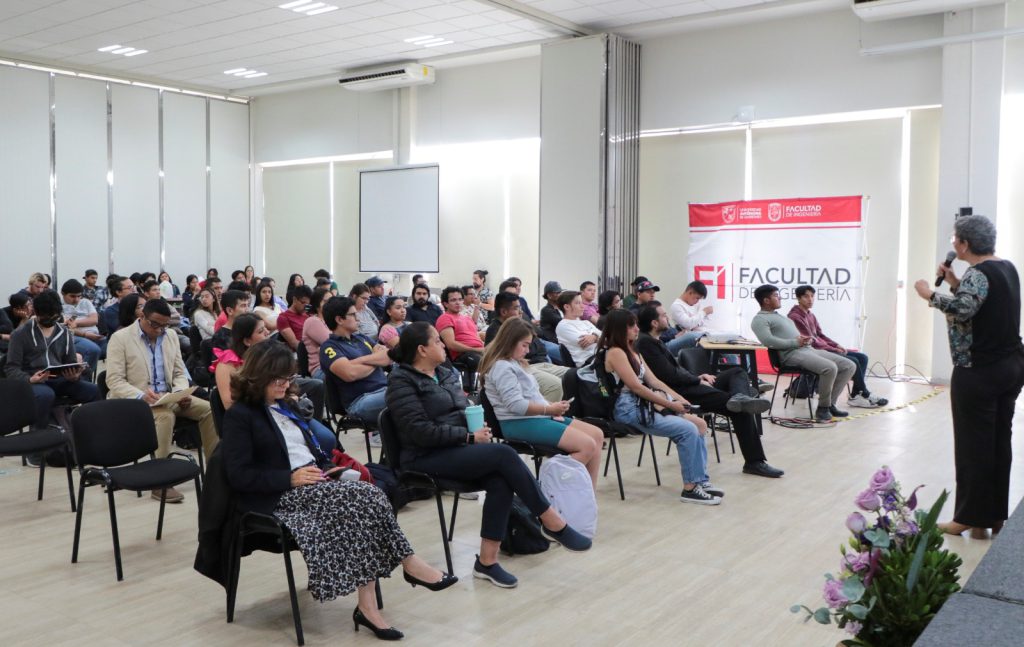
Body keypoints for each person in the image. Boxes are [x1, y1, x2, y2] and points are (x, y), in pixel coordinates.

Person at [221, 341, 456, 641]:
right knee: (366, 497)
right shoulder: (241, 415)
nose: (285, 384)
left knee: (366, 495)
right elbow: (239, 475)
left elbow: (311, 451)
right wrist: (289, 479)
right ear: (257, 376)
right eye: (277, 378)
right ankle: (405, 567)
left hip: (314, 483)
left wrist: (330, 467)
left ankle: (370, 604)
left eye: (288, 377)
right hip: (279, 496)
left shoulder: (285, 406)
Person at [386, 322, 591, 588]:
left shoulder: (445, 374)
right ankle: (551, 520)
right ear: (422, 350)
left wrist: (473, 427)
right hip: (423, 457)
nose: (444, 344)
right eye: (437, 341)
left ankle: (487, 562)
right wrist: (467, 436)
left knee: (500, 479)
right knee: (504, 455)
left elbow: (459, 410)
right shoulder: (401, 381)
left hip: (455, 449)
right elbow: (417, 431)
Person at [913, 215, 1024, 539]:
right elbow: (980, 303)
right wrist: (953, 282)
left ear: (964, 244)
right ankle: (992, 517)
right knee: (998, 443)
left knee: (974, 446)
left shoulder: (977, 273)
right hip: (1010, 366)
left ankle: (968, 517)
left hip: (980, 371)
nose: (953, 246)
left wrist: (927, 294)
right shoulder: (1006, 268)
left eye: (954, 240)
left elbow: (963, 310)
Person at [635, 304, 783, 478]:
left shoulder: (654, 340)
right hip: (682, 392)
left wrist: (700, 376)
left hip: (690, 383)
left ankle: (741, 396)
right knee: (740, 410)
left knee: (737, 372)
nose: (667, 318)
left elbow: (676, 370)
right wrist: (697, 379)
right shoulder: (645, 343)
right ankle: (754, 462)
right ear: (654, 322)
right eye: (664, 315)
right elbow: (669, 376)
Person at [600, 309, 722, 505]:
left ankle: (700, 480)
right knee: (688, 430)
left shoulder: (633, 351)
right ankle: (690, 488)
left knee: (699, 424)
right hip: (627, 410)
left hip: (643, 405)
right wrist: (670, 404)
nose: (637, 329)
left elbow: (654, 381)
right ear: (620, 329)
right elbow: (636, 387)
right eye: (632, 326)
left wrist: (682, 401)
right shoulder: (615, 352)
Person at [105, 298, 217, 503]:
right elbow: (114, 380)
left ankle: (216, 473)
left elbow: (178, 372)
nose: (159, 329)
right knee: (164, 417)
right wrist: (140, 395)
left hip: (167, 396)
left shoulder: (170, 335)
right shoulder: (121, 338)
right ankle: (160, 483)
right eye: (154, 324)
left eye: (164, 325)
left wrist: (181, 391)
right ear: (142, 317)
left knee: (209, 409)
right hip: (135, 402)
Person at [481, 317, 604, 487]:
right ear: (509, 341)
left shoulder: (513, 363)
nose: (528, 350)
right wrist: (549, 410)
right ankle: (546, 490)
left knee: (596, 434)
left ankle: (587, 493)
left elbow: (532, 396)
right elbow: (516, 406)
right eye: (524, 345)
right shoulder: (502, 367)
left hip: (534, 418)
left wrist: (553, 408)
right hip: (517, 423)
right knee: (587, 445)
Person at [750, 284, 857, 423]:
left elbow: (795, 336)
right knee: (830, 368)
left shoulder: (780, 317)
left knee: (849, 365)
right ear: (766, 300)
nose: (780, 297)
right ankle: (823, 409)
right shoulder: (760, 319)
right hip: (791, 355)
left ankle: (830, 404)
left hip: (807, 350)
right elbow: (768, 341)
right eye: (776, 295)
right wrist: (795, 343)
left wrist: (804, 340)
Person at [4, 289, 99, 437]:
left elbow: (70, 361)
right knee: (46, 395)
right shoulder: (20, 334)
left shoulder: (64, 332)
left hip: (59, 379)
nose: (50, 320)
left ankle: (91, 435)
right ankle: (37, 442)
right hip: (32, 382)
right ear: (36, 312)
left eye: (54, 317)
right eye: (45, 317)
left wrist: (74, 375)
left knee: (93, 390)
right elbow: (11, 368)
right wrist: (29, 379)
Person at [787, 285, 888, 409]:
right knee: (854, 361)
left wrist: (836, 345)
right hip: (813, 352)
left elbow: (820, 335)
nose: (810, 299)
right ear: (798, 298)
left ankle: (856, 394)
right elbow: (811, 342)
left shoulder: (810, 315)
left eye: (812, 296)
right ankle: (864, 393)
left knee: (862, 357)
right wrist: (835, 349)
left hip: (823, 349)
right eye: (806, 296)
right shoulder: (795, 317)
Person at [320, 296, 390, 428]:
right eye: (353, 315)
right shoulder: (329, 347)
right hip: (360, 401)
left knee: (410, 393)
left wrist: (359, 361)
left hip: (384, 391)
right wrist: (375, 359)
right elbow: (350, 373)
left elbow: (387, 356)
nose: (358, 318)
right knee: (405, 394)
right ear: (339, 319)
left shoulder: (362, 338)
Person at [486, 291, 567, 401]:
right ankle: (547, 414)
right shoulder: (496, 330)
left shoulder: (519, 325)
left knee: (573, 375)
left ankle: (567, 412)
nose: (521, 312)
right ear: (504, 311)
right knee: (555, 385)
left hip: (540, 363)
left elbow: (538, 344)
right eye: (516, 308)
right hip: (524, 367)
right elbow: (503, 359)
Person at [435, 286, 485, 388]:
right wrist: (477, 349)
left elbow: (476, 338)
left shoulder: (467, 318)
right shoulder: (444, 318)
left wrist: (486, 348)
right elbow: (451, 344)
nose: (458, 302)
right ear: (445, 304)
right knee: (481, 361)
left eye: (460, 299)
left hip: (477, 351)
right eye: (453, 300)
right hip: (463, 355)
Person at [59, 279, 104, 377]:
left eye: (79, 296)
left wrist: (76, 323)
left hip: (95, 336)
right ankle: (82, 378)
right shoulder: (59, 306)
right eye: (72, 296)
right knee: (93, 350)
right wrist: (85, 334)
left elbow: (94, 319)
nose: (76, 299)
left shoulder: (85, 302)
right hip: (76, 337)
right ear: (63, 293)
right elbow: (67, 327)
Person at [555, 290, 602, 367]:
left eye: (582, 302)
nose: (582, 306)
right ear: (567, 307)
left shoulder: (586, 323)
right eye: (577, 303)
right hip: (588, 363)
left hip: (600, 356)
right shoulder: (563, 326)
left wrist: (594, 337)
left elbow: (605, 336)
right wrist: (598, 337)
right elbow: (585, 342)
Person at [669, 280, 715, 349]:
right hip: (692, 340)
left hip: (703, 335)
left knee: (727, 347)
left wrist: (695, 321)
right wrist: (704, 312)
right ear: (690, 292)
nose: (697, 301)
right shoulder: (677, 306)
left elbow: (706, 320)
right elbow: (688, 324)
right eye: (697, 298)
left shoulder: (696, 304)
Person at [301, 288, 333, 380]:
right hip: (320, 369)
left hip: (335, 363)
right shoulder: (312, 321)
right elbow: (333, 343)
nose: (330, 304)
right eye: (326, 301)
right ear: (317, 304)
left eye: (332, 301)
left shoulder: (331, 320)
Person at [276, 285, 312, 351]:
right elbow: (294, 343)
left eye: (307, 304)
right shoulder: (283, 317)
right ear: (294, 299)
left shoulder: (308, 314)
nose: (305, 306)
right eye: (303, 302)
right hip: (299, 354)